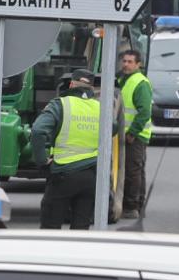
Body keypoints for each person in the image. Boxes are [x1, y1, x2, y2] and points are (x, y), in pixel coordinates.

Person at [32, 69, 113, 229]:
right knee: (81, 229)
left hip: (64, 173)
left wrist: (42, 161)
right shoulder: (100, 108)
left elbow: (38, 130)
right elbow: (114, 128)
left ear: (71, 84)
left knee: (50, 227)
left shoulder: (60, 104)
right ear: (91, 89)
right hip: (91, 176)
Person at [117, 49, 153, 220]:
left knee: (132, 172)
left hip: (135, 136)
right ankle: (137, 204)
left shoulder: (140, 83)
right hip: (126, 134)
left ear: (138, 64)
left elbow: (144, 111)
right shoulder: (123, 80)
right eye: (124, 61)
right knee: (135, 171)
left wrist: (132, 133)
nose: (126, 64)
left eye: (130, 62)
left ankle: (132, 206)